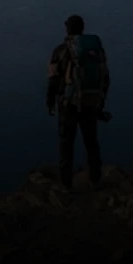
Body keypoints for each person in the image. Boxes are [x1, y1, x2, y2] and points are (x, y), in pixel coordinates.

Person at [45, 14, 110, 190]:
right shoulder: (95, 50)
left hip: (69, 104)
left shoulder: (61, 50)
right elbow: (105, 76)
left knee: (66, 143)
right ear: (82, 28)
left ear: (68, 29)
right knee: (91, 141)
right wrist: (100, 101)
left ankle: (66, 184)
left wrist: (50, 101)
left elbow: (53, 78)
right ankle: (95, 178)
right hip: (91, 102)